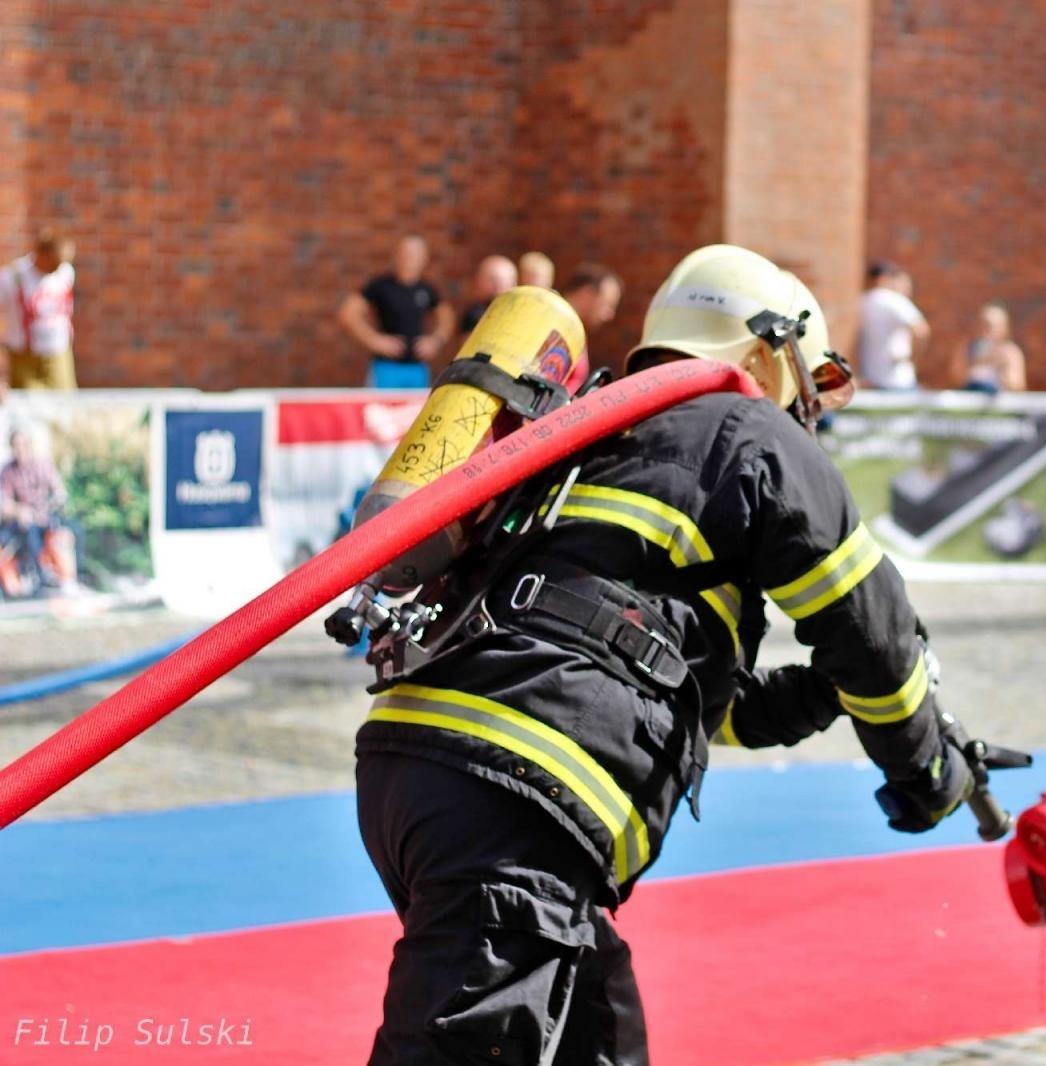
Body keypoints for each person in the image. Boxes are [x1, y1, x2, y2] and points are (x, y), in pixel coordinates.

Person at [352, 244, 966, 1064]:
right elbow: (876, 633)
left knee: (600, 1036)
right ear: (765, 350)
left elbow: (681, 702)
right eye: (807, 384)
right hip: (521, 795)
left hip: (427, 768)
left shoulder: (593, 427)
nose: (808, 408)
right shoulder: (749, 431)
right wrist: (927, 771)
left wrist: (826, 693)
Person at [339, 236, 456, 389]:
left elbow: (447, 316)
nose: (409, 259)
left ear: (424, 259)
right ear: (397, 255)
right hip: (386, 367)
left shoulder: (426, 289)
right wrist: (373, 340)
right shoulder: (380, 286)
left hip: (417, 368)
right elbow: (348, 313)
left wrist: (436, 341)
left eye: (415, 255)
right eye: (406, 253)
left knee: (416, 411)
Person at [0, 428, 78, 594]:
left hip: (48, 516)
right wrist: (20, 510)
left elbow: (59, 491)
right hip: (23, 522)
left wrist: (53, 504)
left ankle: (71, 578)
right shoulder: (7, 471)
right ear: (11, 447)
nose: (20, 448)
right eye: (16, 445)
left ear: (29, 445)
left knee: (74, 530)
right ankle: (39, 577)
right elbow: (4, 504)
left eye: (23, 444)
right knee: (27, 531)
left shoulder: (43, 464)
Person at [1, 231, 78, 392]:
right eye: (52, 262)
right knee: (27, 410)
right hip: (25, 357)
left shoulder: (65, 272)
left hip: (58, 353)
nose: (55, 268)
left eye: (59, 264)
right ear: (40, 253)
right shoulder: (12, 277)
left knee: (65, 404)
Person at [855, 261, 928, 390]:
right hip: (897, 378)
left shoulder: (862, 300)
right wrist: (913, 359)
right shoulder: (893, 299)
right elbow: (921, 330)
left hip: (870, 377)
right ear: (884, 278)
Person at [958, 302, 1026, 393]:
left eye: (990, 326)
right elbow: (957, 378)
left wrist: (999, 366)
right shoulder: (967, 348)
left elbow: (1017, 385)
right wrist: (976, 365)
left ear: (1003, 328)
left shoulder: (1010, 352)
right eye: (982, 324)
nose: (984, 329)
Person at [458, 255, 519, 338]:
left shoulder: (521, 311)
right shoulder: (476, 313)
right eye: (494, 280)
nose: (498, 285)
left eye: (502, 280)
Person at [559, 262, 623, 332]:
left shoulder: (568, 331)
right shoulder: (551, 322)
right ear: (586, 295)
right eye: (607, 304)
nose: (610, 315)